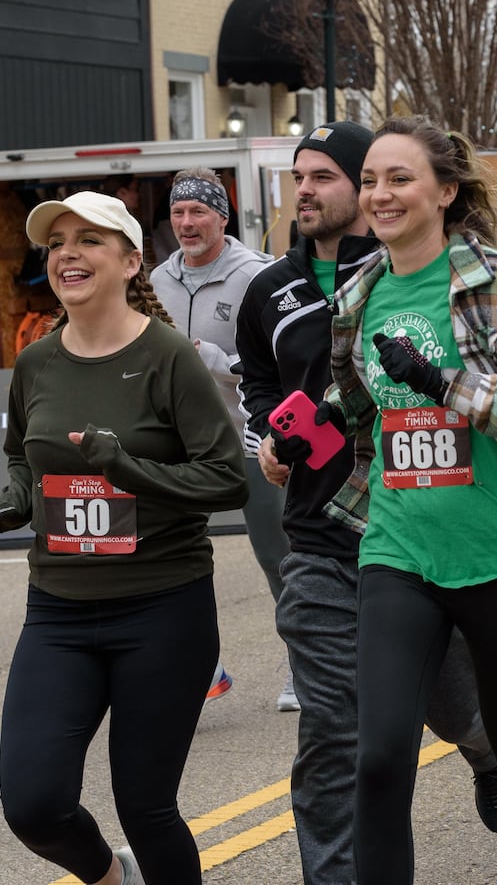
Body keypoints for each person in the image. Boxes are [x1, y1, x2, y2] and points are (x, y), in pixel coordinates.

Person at [323, 116, 497, 885]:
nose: (380, 193)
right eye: (371, 180)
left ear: (445, 191)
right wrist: (296, 443)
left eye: (399, 178)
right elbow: (356, 403)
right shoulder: (358, 293)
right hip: (398, 548)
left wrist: (445, 383)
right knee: (379, 754)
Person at [236, 123, 497, 884]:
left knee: (452, 705)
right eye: (301, 176)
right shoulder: (271, 289)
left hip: (426, 528)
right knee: (338, 732)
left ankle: (486, 752)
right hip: (321, 535)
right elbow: (260, 382)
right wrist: (272, 431)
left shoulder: (418, 269)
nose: (307, 190)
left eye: (327, 176)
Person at [0, 191, 247, 885]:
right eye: (57, 241)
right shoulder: (36, 362)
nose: (68, 251)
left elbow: (226, 480)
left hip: (163, 609)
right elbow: (19, 453)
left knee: (146, 807)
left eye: (89, 239)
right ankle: (109, 878)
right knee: (33, 804)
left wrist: (125, 467)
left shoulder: (170, 357)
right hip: (59, 610)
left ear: (131, 262)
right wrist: (13, 500)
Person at [148, 168, 286, 706]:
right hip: (182, 444)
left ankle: (305, 660)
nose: (186, 222)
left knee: (277, 553)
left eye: (198, 211)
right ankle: (200, 666)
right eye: (178, 213)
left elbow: (278, 360)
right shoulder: (158, 279)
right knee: (167, 554)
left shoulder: (256, 275)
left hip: (250, 437)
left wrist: (218, 361)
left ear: (222, 218)